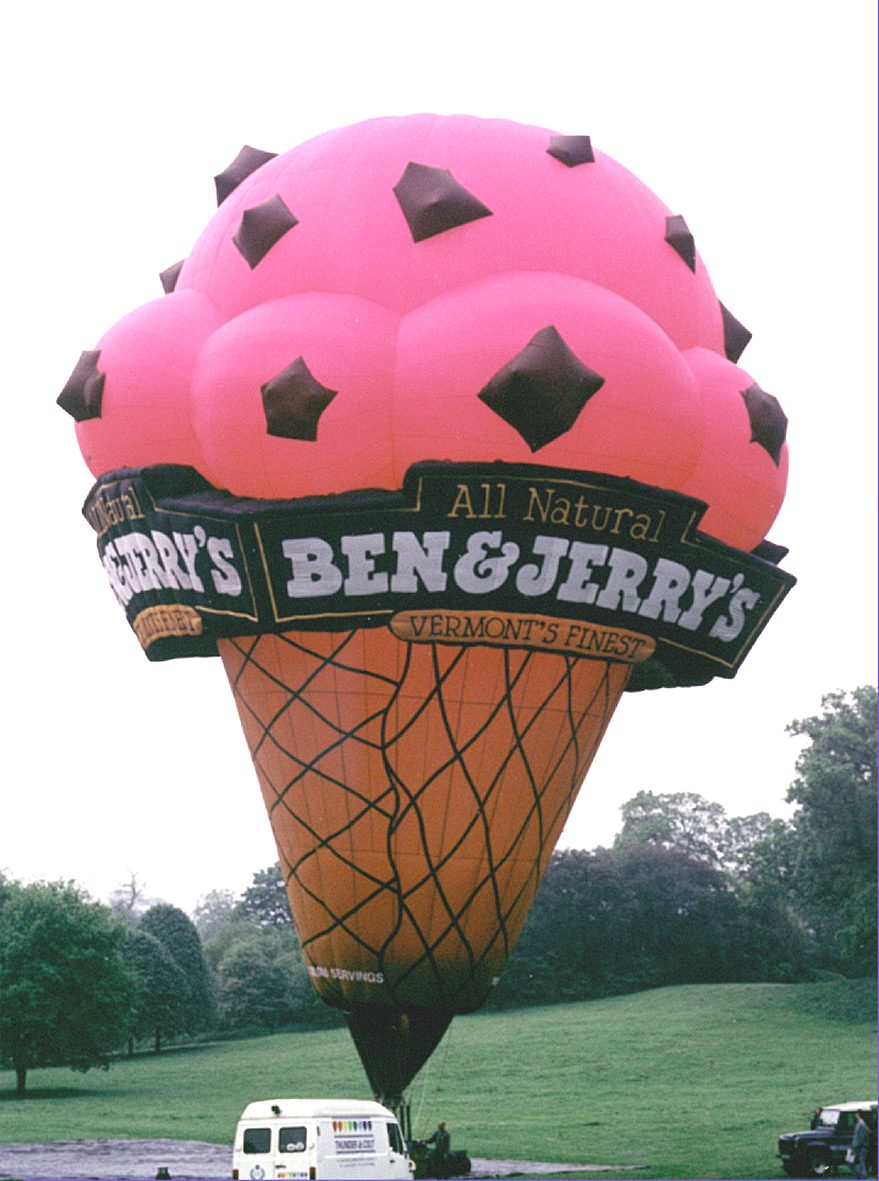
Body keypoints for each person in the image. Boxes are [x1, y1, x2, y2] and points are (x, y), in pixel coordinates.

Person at [852, 1110, 869, 1179]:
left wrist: (855, 1146)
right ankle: (859, 1176)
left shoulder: (861, 1124)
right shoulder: (859, 1123)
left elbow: (861, 1137)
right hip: (858, 1146)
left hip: (860, 1147)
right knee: (860, 1162)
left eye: (856, 1114)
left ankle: (862, 1177)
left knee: (861, 1163)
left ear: (858, 1115)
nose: (855, 1115)